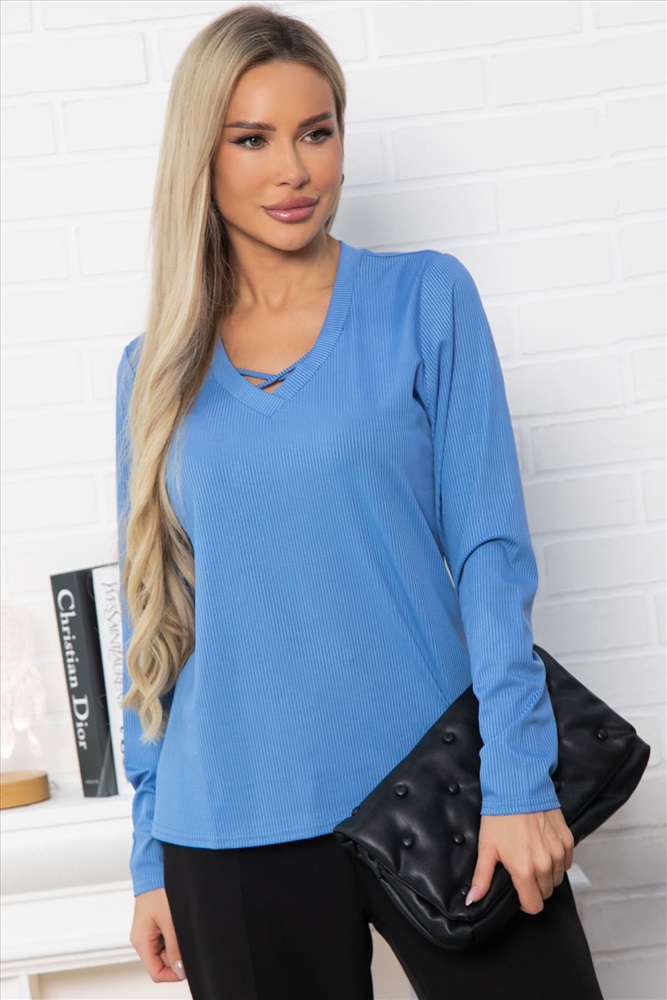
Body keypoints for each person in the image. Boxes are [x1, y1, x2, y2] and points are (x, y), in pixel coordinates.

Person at [116, 6, 603, 999]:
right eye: (252, 140)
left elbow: (490, 551)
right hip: (228, 824)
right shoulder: (154, 369)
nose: (293, 170)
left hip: (436, 786)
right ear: (200, 157)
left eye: (316, 131)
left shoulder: (425, 300)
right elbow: (153, 613)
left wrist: (517, 777)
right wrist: (149, 853)